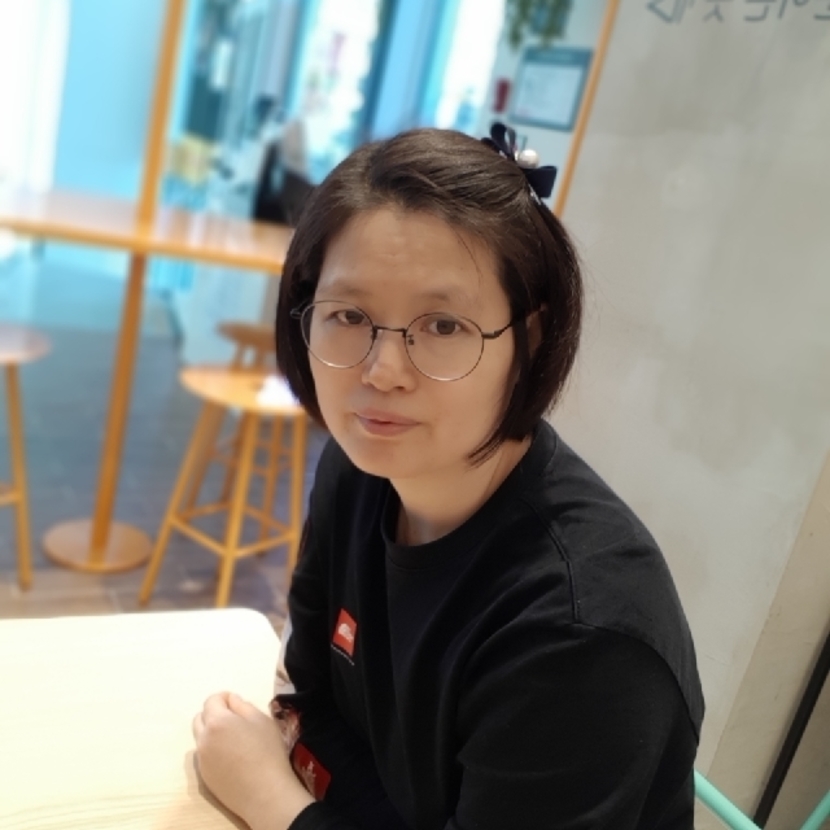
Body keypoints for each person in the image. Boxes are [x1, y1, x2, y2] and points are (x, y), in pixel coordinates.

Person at [191, 124, 705, 830]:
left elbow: (296, 760)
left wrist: (272, 799)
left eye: (442, 326)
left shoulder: (580, 631)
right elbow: (312, 705)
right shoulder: (360, 470)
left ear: (528, 341)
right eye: (348, 315)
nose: (382, 372)